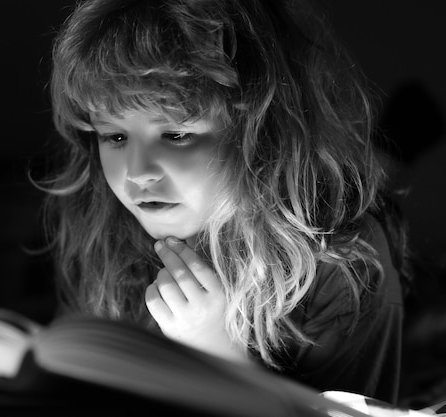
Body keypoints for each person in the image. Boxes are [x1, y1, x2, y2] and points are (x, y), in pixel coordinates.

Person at [34, 0, 411, 404]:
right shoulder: (103, 231)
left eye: (177, 134)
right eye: (115, 136)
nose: (136, 172)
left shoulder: (344, 266)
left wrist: (219, 355)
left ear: (264, 135)